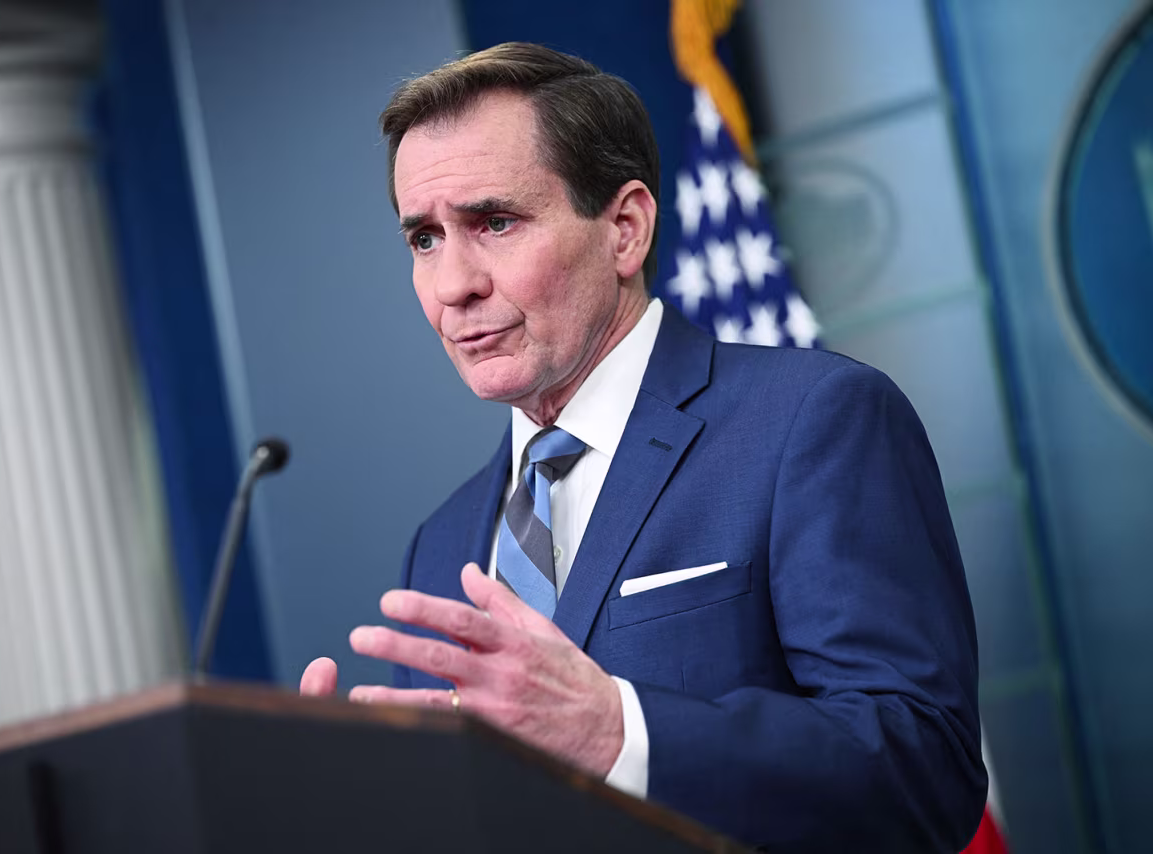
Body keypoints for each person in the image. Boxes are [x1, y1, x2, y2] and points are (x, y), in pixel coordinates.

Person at [299, 42, 986, 852]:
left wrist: (619, 732)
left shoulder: (812, 422)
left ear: (624, 228)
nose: (454, 284)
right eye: (424, 239)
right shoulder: (439, 546)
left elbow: (923, 768)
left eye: (495, 222)